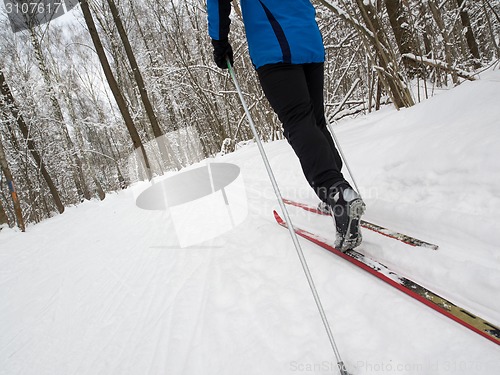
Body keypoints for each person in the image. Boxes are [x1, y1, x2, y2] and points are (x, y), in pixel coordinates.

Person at [206, 0, 365, 251]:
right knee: (314, 121)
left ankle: (336, 192)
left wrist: (219, 41)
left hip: (275, 45)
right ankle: (339, 190)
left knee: (298, 122)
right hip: (308, 38)